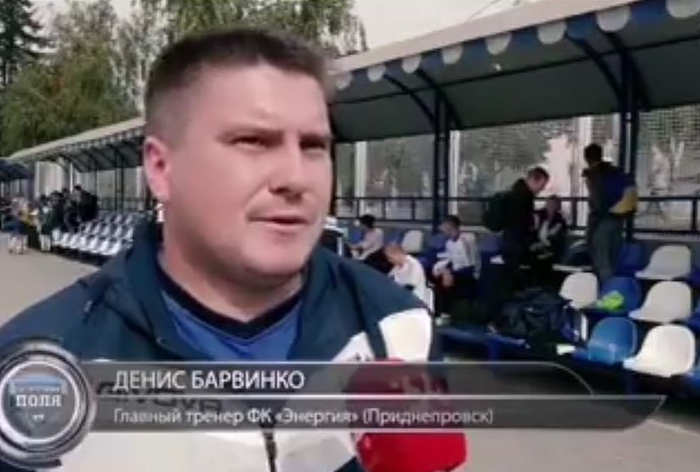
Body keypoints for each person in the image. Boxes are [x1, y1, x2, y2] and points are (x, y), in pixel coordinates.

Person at [0, 29, 443, 472]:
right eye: (253, 141)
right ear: (161, 168)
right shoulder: (37, 367)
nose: (295, 178)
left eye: (313, 146)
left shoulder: (400, 327)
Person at [489, 167, 550, 323]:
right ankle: (511, 320)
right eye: (541, 186)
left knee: (507, 285)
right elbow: (522, 227)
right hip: (516, 249)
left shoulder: (514, 193)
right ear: (534, 180)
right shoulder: (523, 198)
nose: (541, 190)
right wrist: (531, 243)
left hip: (508, 246)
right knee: (515, 287)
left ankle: (502, 319)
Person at [582, 143, 625, 282]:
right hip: (618, 218)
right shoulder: (615, 171)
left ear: (587, 158)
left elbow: (596, 200)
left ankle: (605, 285)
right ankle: (612, 284)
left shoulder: (593, 174)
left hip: (602, 218)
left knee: (600, 253)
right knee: (612, 254)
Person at [430, 215, 477, 317]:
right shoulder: (449, 243)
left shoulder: (467, 239)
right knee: (436, 277)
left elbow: (469, 264)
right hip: (456, 271)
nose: (441, 229)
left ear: (449, 226)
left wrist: (450, 272)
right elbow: (451, 260)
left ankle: (445, 313)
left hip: (469, 272)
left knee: (447, 278)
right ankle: (438, 312)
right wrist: (443, 270)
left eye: (443, 226)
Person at [530, 195, 567, 286]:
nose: (550, 206)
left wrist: (543, 245)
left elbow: (556, 236)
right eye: (549, 204)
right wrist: (534, 243)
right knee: (535, 254)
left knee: (546, 257)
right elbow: (531, 232)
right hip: (535, 245)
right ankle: (536, 284)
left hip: (550, 247)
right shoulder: (538, 215)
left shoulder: (560, 220)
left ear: (558, 207)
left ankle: (543, 284)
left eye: (553, 204)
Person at [385, 241, 430, 307]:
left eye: (390, 258)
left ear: (398, 254)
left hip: (415, 301)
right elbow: (388, 281)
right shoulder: (396, 268)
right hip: (401, 299)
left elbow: (410, 287)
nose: (389, 260)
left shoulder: (413, 264)